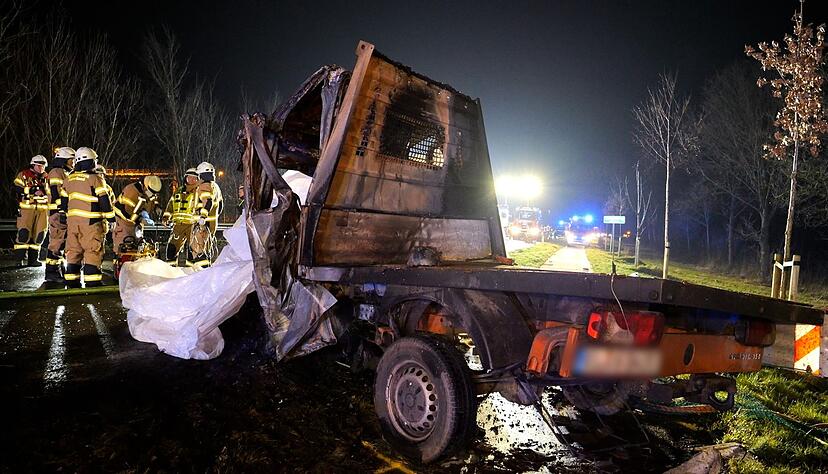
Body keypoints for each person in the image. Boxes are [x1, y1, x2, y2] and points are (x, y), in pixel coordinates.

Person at [62, 147, 115, 287]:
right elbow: (104, 200)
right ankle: (92, 283)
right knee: (92, 251)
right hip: (91, 223)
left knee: (73, 251)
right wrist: (111, 218)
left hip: (73, 223)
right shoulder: (95, 178)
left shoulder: (69, 179)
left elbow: (63, 202)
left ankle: (71, 282)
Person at [44, 147, 75, 282]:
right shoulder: (56, 172)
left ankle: (58, 270)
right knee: (56, 243)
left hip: (61, 213)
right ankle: (51, 273)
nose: (73, 162)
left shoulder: (64, 172)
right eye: (71, 160)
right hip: (57, 213)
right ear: (64, 160)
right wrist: (62, 209)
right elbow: (56, 192)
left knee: (61, 243)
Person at [13, 155, 50, 267]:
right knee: (24, 234)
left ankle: (33, 260)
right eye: (39, 166)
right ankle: (19, 260)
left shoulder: (47, 177)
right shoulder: (23, 174)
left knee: (39, 236)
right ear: (33, 165)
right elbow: (17, 188)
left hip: (43, 211)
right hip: (27, 210)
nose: (41, 168)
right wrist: (33, 190)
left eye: (43, 166)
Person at [112, 175, 162, 256]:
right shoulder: (131, 191)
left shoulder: (148, 191)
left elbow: (153, 200)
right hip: (123, 222)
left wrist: (157, 207)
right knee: (124, 248)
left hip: (136, 223)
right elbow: (127, 212)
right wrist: (140, 219)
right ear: (145, 186)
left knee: (139, 248)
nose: (152, 194)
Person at [162, 167, 198, 265]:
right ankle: (171, 271)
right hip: (178, 226)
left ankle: (192, 274)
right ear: (185, 178)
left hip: (193, 226)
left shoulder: (199, 192)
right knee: (171, 249)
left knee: (193, 250)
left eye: (194, 178)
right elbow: (170, 206)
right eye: (189, 177)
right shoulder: (178, 191)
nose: (192, 180)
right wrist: (166, 217)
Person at [190, 162, 223, 268]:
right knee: (207, 250)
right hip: (212, 224)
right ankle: (205, 275)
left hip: (202, 226)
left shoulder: (204, 186)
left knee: (198, 252)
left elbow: (208, 202)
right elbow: (220, 206)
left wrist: (203, 217)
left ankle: (199, 277)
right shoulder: (216, 187)